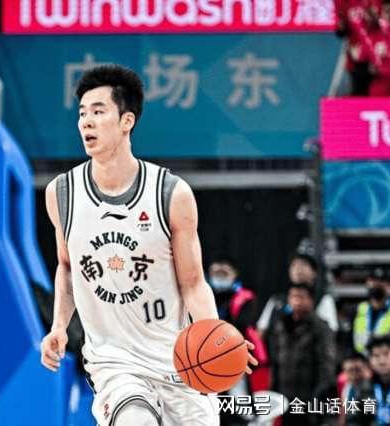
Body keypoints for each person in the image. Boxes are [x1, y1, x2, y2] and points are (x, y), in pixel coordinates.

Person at [39, 65, 257, 425]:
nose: (86, 122)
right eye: (82, 113)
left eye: (98, 112)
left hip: (179, 362)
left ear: (126, 121)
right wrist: (59, 326)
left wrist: (217, 338)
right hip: (115, 366)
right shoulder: (62, 193)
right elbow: (67, 265)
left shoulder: (171, 194)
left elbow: (193, 284)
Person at [207, 257, 268, 425]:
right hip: (206, 359)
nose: (219, 275)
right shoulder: (202, 294)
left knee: (239, 407)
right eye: (216, 271)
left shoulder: (245, 297)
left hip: (236, 358)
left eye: (224, 272)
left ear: (234, 274)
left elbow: (241, 325)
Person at [268, 283, 336, 426]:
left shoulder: (320, 328)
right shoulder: (281, 324)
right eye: (293, 296)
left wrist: (318, 396)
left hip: (310, 397)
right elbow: (276, 361)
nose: (296, 301)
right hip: (285, 396)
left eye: (301, 297)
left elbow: (327, 365)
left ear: (311, 300)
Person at [257, 251, 338, 338]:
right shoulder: (277, 300)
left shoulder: (323, 299)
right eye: (294, 265)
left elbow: (331, 332)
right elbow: (261, 331)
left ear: (314, 272)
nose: (298, 269)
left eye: (304, 265)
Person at [352, 268, 390, 355]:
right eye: (374, 281)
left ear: (388, 286)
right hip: (361, 358)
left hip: (386, 358)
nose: (377, 284)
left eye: (381, 282)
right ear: (367, 283)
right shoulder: (359, 308)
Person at [339, 352, 373, 426]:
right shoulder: (347, 387)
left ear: (366, 369)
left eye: (357, 370)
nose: (353, 374)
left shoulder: (371, 388)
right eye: (350, 370)